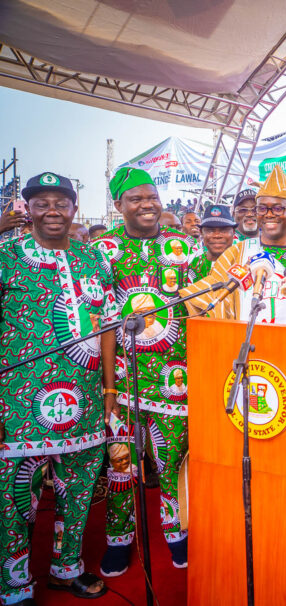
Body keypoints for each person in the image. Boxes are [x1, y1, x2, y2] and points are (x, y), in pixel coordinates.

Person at [0, 172, 117, 603]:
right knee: (15, 496)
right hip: (16, 400)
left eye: (61, 202)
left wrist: (108, 394)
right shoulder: (5, 255)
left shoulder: (94, 259)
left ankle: (66, 569)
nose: (52, 210)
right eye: (41, 202)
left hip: (85, 398)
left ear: (73, 208)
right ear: (27, 209)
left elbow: (108, 328)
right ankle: (13, 583)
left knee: (80, 486)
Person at [93, 167, 195, 575]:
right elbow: (101, 323)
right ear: (119, 206)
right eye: (135, 199)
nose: (147, 204)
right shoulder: (103, 250)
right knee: (122, 467)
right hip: (124, 379)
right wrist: (108, 390)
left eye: (152, 197)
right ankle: (119, 540)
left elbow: (205, 306)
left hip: (176, 380)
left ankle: (178, 534)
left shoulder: (183, 248)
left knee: (172, 466)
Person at [181, 165, 286, 325]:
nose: (269, 214)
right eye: (262, 208)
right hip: (246, 345)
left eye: (277, 208)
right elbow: (207, 300)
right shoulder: (236, 253)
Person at [187, 204, 237, 281]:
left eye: (224, 230)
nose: (217, 235)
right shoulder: (190, 263)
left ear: (233, 232)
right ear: (201, 232)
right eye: (210, 230)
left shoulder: (244, 262)